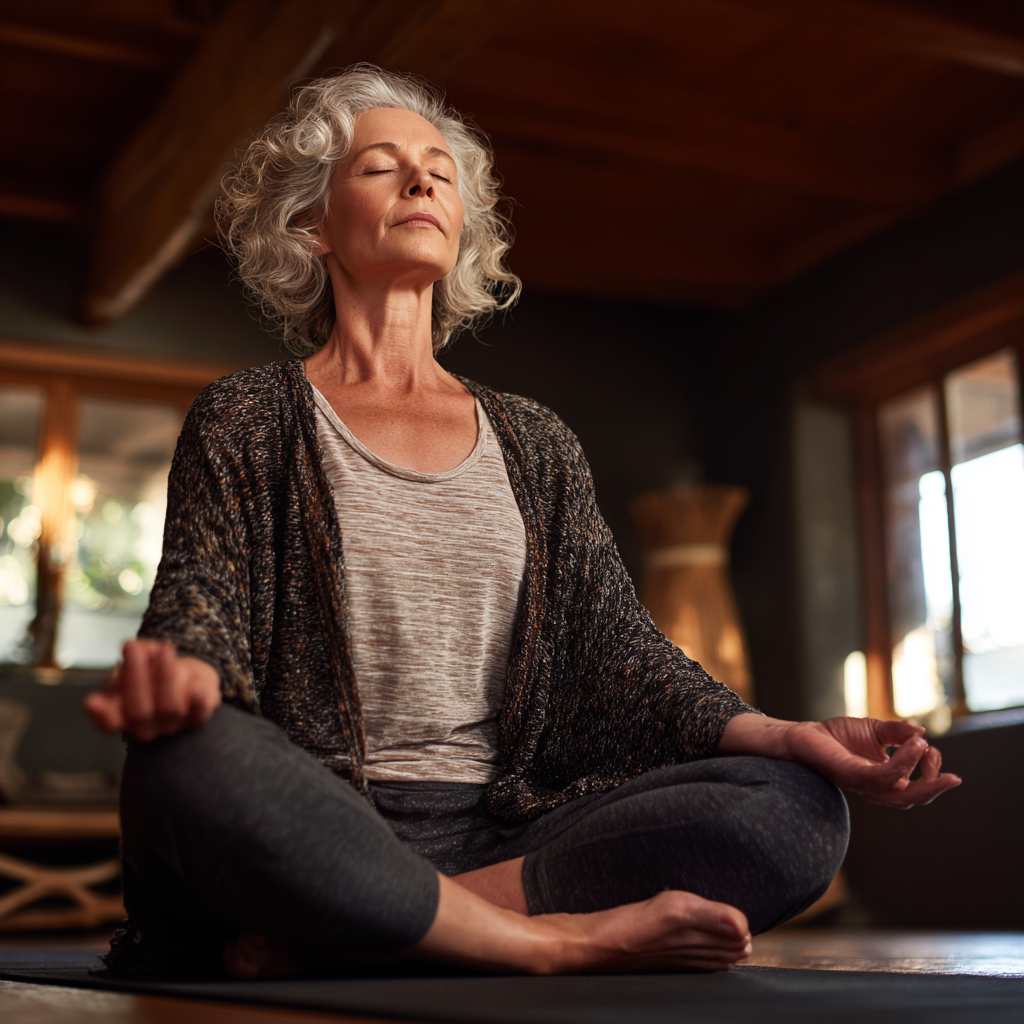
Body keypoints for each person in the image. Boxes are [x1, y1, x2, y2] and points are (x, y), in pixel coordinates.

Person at [85, 65, 960, 980]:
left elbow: (619, 654)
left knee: (795, 810)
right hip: (312, 811)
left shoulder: (535, 443)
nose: (422, 181)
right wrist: (183, 680)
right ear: (312, 223)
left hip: (502, 837)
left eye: (440, 171)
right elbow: (199, 604)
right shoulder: (250, 417)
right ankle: (541, 941)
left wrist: (784, 734)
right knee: (183, 760)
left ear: (461, 223)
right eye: (382, 167)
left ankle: (372, 925)